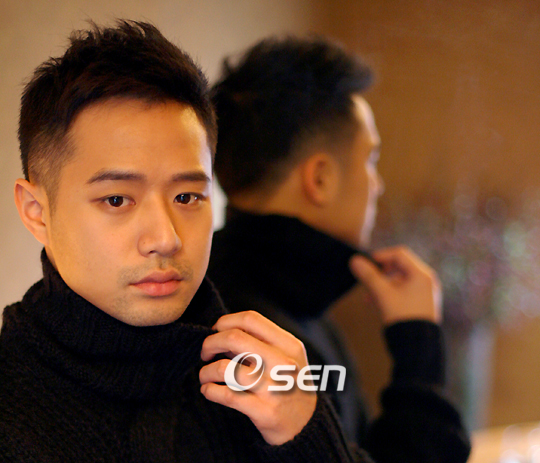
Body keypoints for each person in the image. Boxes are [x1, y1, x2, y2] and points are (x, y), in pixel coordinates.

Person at [0, 22, 374, 462]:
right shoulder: (15, 410)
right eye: (117, 199)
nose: (166, 238)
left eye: (187, 197)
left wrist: (308, 434)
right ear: (36, 211)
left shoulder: (258, 372)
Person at [208, 36, 471, 463]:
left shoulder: (286, 297)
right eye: (370, 160)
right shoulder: (255, 334)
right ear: (321, 179)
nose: (377, 185)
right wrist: (418, 346)